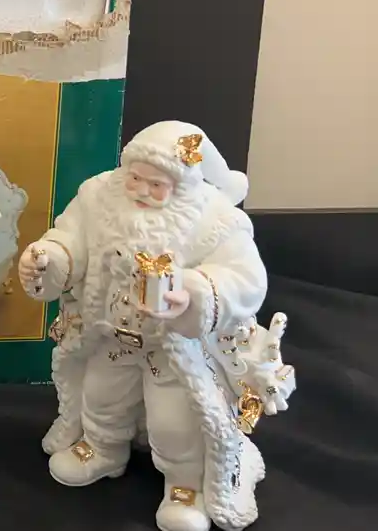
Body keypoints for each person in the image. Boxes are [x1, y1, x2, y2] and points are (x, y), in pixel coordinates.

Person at [17, 121, 295, 531]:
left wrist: (194, 292)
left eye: (156, 184)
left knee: (173, 421)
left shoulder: (214, 219)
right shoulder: (99, 197)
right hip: (111, 337)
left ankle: (185, 484)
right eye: (135, 178)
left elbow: (246, 277)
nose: (142, 190)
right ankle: (101, 448)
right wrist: (50, 257)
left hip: (174, 349)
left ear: (181, 184)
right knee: (101, 397)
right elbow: (71, 237)